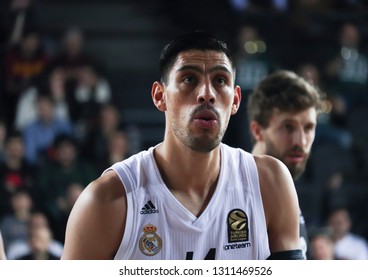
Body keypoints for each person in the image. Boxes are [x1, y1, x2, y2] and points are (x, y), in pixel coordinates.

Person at [61, 31, 303, 260]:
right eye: (189, 79)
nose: (206, 94)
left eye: (220, 80)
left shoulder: (270, 184)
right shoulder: (106, 200)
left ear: (235, 101)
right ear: (159, 96)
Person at [247, 70, 324, 258]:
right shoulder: (239, 193)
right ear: (258, 131)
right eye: (288, 127)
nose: (301, 141)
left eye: (308, 128)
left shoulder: (281, 186)